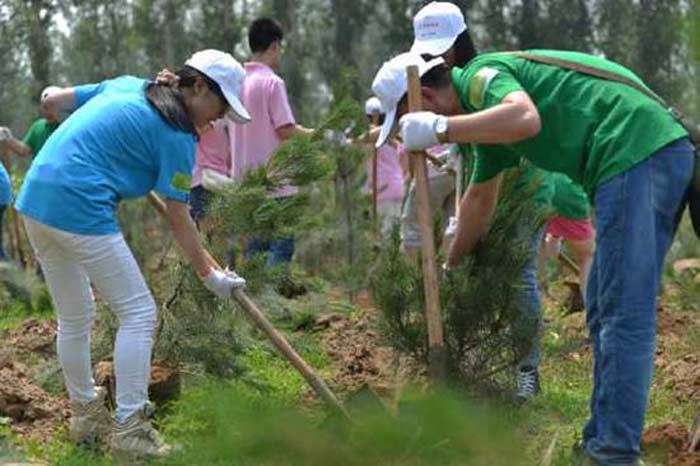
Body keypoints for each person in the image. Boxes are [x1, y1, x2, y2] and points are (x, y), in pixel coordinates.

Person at [382, 41, 690, 464]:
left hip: (636, 148)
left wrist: (441, 130)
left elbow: (525, 117)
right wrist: (451, 266)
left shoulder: (478, 77)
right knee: (602, 302)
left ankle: (614, 453)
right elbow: (479, 200)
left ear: (428, 99)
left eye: (403, 123)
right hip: (631, 155)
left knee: (623, 310)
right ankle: (601, 438)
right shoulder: (485, 130)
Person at [15, 49, 250, 462]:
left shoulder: (124, 84)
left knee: (75, 315)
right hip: (78, 203)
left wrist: (63, 102)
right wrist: (209, 275)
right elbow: (181, 219)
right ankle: (131, 431)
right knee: (139, 313)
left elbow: (52, 103)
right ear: (197, 87)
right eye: (222, 105)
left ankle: (86, 418)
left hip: (35, 197)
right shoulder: (178, 138)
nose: (220, 118)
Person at [230, 17, 312, 266]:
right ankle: (270, 300)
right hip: (276, 180)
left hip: (245, 181)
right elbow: (285, 129)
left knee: (256, 246)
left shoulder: (236, 84)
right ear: (275, 46)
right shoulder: (272, 83)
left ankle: (255, 299)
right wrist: (318, 136)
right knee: (281, 245)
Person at [540, 173, 595, 298]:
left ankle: (540, 294)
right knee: (587, 254)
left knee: (543, 239)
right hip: (567, 190)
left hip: (542, 183)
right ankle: (589, 302)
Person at [363, 97, 406, 237]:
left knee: (388, 235)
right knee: (392, 232)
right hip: (395, 187)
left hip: (382, 191)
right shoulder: (394, 133)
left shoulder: (369, 137)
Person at [1, 86, 65, 159]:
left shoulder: (70, 126)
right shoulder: (38, 126)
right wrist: (7, 138)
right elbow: (24, 150)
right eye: (45, 107)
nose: (48, 112)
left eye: (52, 107)